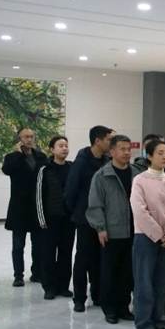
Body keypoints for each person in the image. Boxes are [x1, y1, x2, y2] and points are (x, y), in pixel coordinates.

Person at [130, 139, 165, 329]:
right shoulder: (140, 180)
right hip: (146, 237)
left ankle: (158, 321)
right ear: (149, 156)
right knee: (144, 282)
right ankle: (144, 324)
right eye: (160, 153)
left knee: (162, 282)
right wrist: (159, 235)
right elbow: (139, 211)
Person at [86, 135, 139, 324]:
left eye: (128, 149)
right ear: (112, 152)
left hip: (133, 231)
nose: (127, 153)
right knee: (110, 272)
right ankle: (110, 309)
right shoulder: (102, 176)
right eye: (122, 149)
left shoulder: (136, 174)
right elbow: (95, 205)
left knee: (128, 273)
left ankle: (124, 307)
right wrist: (100, 228)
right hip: (112, 232)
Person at [66, 125, 113, 311]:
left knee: (100, 258)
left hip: (104, 218)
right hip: (84, 218)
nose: (111, 143)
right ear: (97, 141)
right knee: (83, 258)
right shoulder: (81, 162)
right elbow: (71, 190)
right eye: (109, 140)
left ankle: (98, 294)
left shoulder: (108, 161)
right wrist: (77, 212)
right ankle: (79, 298)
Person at [2, 127, 49, 287]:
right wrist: (17, 154)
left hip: (37, 207)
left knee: (38, 244)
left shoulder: (40, 156)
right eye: (26, 137)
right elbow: (7, 170)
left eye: (31, 136)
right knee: (18, 245)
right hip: (19, 208)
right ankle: (18, 275)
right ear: (20, 139)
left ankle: (37, 273)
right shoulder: (12, 157)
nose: (29, 139)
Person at [36, 135, 74, 299]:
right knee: (48, 254)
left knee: (66, 253)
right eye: (60, 146)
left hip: (68, 219)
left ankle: (63, 286)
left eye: (66, 145)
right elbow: (38, 196)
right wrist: (41, 220)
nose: (64, 148)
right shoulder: (44, 169)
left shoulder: (72, 168)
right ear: (52, 149)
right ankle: (49, 287)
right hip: (50, 220)